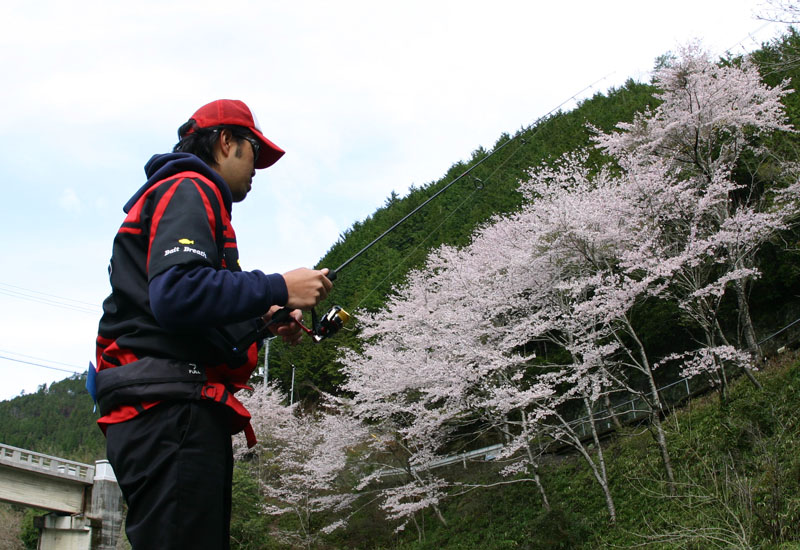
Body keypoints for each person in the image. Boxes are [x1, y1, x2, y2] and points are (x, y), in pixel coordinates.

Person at [91, 99, 332, 549]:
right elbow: (178, 294)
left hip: (163, 410)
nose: (257, 167)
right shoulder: (189, 187)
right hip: (171, 413)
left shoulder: (179, 192)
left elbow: (178, 304)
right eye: (253, 151)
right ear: (225, 142)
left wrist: (262, 317)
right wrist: (279, 287)